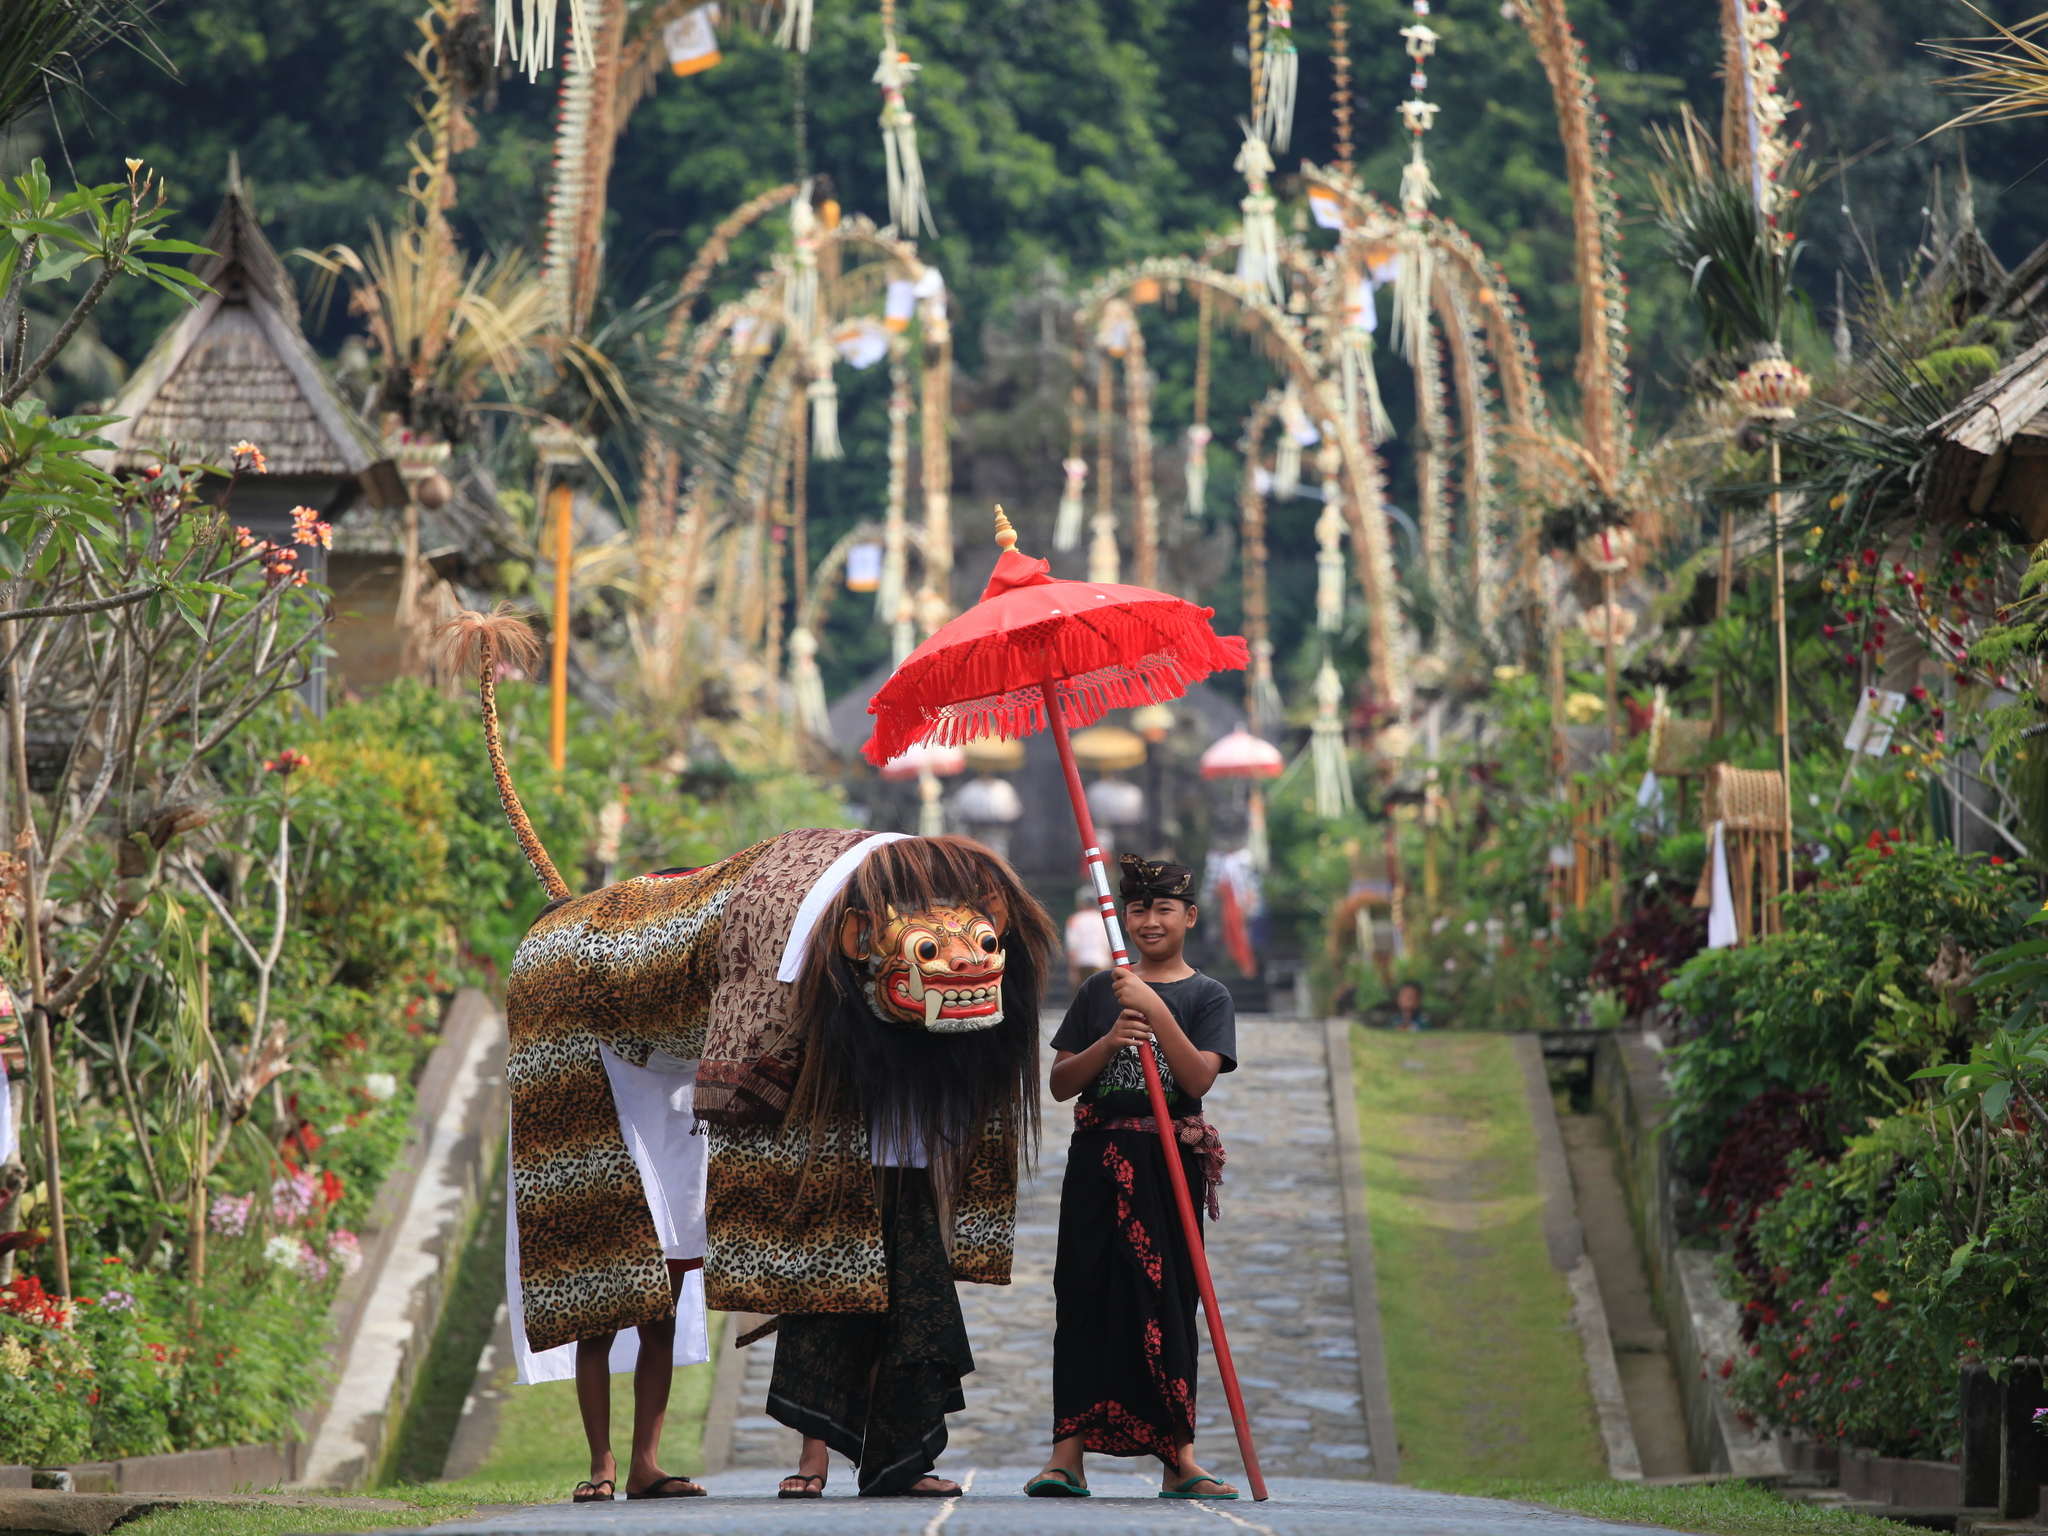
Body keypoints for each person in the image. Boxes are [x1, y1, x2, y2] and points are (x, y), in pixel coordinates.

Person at [1028, 853, 1239, 1501]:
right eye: (1138, 909)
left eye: (1163, 909)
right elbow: (1062, 1084)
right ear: (1123, 916)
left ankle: (1180, 1460)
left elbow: (1199, 1078)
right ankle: (1068, 1456)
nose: (1149, 922)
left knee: (1172, 1302)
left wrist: (1154, 1007)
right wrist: (1111, 1039)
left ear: (1188, 917)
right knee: (1084, 1296)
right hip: (1097, 1164)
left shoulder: (1208, 996)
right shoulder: (1100, 993)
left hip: (1166, 1165)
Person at [1064, 886, 1112, 991]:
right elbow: (1108, 945)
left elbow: (1072, 947)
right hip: (1100, 962)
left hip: (1081, 963)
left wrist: (1072, 970)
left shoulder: (1074, 919)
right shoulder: (1102, 919)